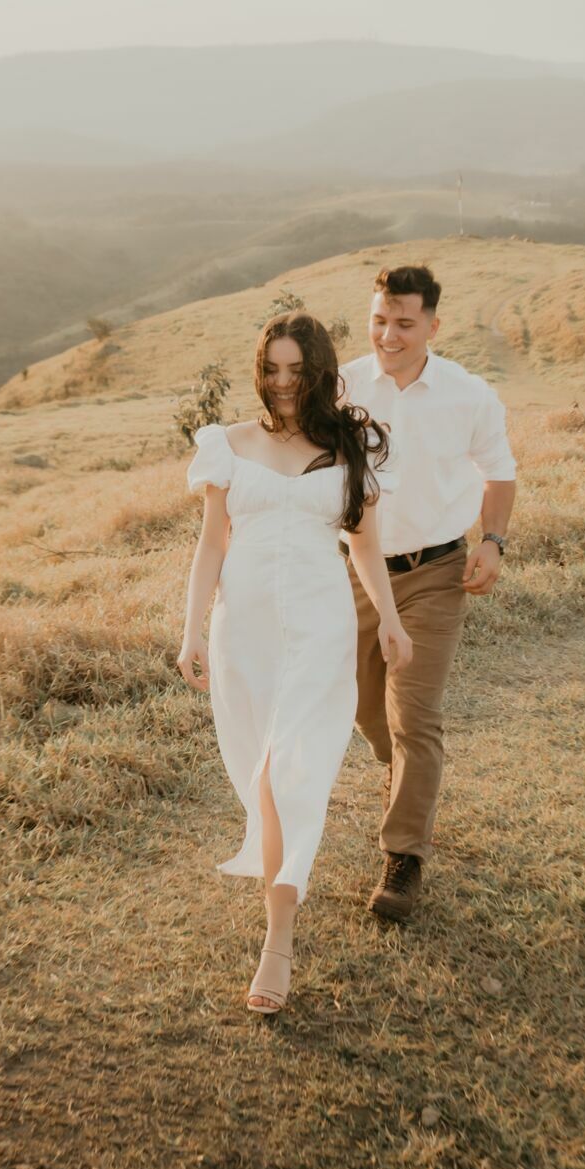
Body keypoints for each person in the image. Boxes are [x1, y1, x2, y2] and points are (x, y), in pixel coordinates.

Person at [177, 312, 412, 1016]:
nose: (283, 384)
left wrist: (391, 622)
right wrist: (191, 630)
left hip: (318, 627)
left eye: (296, 371)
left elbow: (364, 546)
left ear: (318, 371)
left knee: (288, 773)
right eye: (272, 370)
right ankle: (278, 901)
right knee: (261, 776)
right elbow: (211, 546)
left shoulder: (346, 448)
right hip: (241, 631)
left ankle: (277, 939)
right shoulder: (227, 445)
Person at [339, 263, 517, 921]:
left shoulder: (468, 395)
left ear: (433, 326)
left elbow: (500, 473)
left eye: (404, 323)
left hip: (437, 573)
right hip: (357, 570)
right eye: (379, 320)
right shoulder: (345, 387)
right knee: (364, 706)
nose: (388, 334)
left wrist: (492, 542)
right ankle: (407, 778)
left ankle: (404, 857)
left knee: (414, 712)